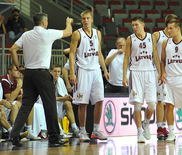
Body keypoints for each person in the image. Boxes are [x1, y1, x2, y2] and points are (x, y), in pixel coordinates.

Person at [10, 12, 73, 147]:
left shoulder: (26, 35)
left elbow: (12, 49)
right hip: (42, 74)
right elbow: (68, 32)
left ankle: (14, 136)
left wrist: (18, 67)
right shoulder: (47, 33)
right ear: (44, 22)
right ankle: (55, 138)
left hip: (29, 74)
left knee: (26, 106)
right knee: (50, 106)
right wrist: (68, 23)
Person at [69, 9, 110, 142]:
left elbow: (99, 53)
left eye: (88, 18)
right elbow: (71, 53)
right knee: (83, 103)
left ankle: (96, 130)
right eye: (83, 19)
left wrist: (105, 70)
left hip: (96, 71)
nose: (85, 21)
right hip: (83, 71)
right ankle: (82, 131)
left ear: (92, 19)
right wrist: (71, 72)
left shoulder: (98, 33)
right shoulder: (77, 34)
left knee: (99, 100)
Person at [122, 17, 161, 143]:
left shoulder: (151, 37)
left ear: (143, 24)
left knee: (151, 103)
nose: (134, 27)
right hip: (136, 73)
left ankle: (146, 123)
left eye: (136, 25)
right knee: (137, 104)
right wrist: (124, 75)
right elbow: (126, 58)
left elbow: (155, 55)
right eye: (133, 25)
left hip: (150, 72)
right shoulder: (130, 39)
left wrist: (160, 73)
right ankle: (139, 132)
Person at [152, 14, 178, 140]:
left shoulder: (175, 38)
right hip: (158, 71)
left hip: (170, 73)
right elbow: (155, 55)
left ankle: (164, 126)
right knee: (159, 100)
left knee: (167, 102)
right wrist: (160, 71)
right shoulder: (157, 35)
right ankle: (159, 127)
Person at [50, 64, 79, 137]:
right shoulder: (47, 81)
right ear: (51, 71)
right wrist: (64, 98)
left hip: (57, 102)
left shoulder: (60, 80)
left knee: (68, 104)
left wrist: (68, 97)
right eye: (55, 71)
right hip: (46, 104)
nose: (57, 74)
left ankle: (74, 128)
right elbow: (50, 99)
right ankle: (59, 130)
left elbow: (63, 95)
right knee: (52, 106)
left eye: (59, 72)